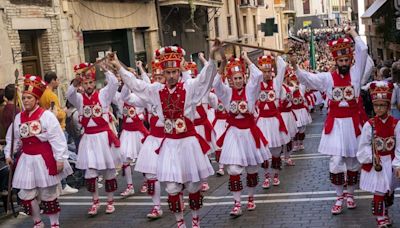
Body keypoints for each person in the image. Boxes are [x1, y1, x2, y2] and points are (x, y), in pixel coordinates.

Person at [118, 43, 219, 228]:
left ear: (179, 71)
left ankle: (195, 219)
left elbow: (206, 79)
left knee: (193, 186)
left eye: (174, 72)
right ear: (163, 73)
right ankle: (180, 222)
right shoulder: (156, 90)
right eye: (167, 73)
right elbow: (136, 85)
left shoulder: (189, 87)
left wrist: (212, 56)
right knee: (172, 188)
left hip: (188, 143)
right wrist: (118, 66)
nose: (171, 76)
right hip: (170, 145)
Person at [290, 27, 368, 214]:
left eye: (346, 60)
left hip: (352, 124)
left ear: (350, 60)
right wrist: (296, 68)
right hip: (335, 125)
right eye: (340, 60)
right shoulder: (327, 78)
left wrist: (354, 34)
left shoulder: (356, 74)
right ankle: (338, 197)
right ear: (336, 60)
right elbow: (309, 79)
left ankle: (350, 195)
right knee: (335, 162)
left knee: (352, 162)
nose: (343, 63)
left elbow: (363, 51)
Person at [4, 74, 73, 228]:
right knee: (27, 195)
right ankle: (38, 221)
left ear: (36, 99)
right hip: (27, 159)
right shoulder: (19, 118)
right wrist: (8, 154)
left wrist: (60, 158)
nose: (27, 100)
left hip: (44, 158)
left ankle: (54, 223)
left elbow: (57, 138)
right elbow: (13, 138)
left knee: (48, 194)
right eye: (25, 97)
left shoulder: (46, 116)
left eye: (30, 97)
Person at [213, 53, 271, 217]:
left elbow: (258, 75)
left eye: (240, 77)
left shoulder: (251, 91)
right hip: (233, 135)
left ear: (244, 78)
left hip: (249, 134)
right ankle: (237, 203)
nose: (238, 81)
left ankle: (251, 197)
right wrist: (223, 64)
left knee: (252, 168)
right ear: (230, 79)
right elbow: (216, 83)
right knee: (233, 169)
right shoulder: (227, 94)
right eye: (235, 78)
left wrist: (246, 60)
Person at [66, 62, 121, 215]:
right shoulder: (79, 99)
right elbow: (68, 95)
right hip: (89, 139)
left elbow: (114, 84)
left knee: (108, 172)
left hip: (103, 137)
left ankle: (110, 201)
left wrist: (106, 70)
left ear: (94, 82)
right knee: (90, 174)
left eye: (91, 82)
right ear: (82, 84)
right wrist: (75, 82)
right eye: (86, 83)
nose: (89, 85)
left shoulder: (103, 94)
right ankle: (95, 202)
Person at [358, 81, 398, 228]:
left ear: (388, 106)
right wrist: (371, 157)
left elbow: (399, 146)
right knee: (380, 189)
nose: (378, 109)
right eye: (376, 105)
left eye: (382, 105)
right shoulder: (370, 124)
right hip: (378, 163)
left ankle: (385, 212)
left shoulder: (396, 123)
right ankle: (380, 218)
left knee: (389, 189)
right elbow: (363, 145)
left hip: (392, 161)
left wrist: (398, 163)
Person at [133, 59, 166, 219]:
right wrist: (127, 82)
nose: (158, 82)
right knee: (151, 175)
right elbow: (128, 98)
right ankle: (157, 206)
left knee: (177, 174)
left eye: (161, 78)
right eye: (156, 78)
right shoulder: (148, 98)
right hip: (153, 141)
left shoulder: (176, 93)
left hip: (171, 140)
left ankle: (179, 199)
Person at [40, 71, 78, 195]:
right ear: (52, 81)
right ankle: (63, 184)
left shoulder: (43, 94)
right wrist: (63, 111)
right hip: (58, 128)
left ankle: (62, 184)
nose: (58, 82)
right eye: (57, 80)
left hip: (49, 129)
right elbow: (57, 114)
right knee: (61, 155)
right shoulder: (51, 95)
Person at [255, 54, 290, 188]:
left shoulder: (276, 83)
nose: (267, 74)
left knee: (276, 151)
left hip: (274, 121)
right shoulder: (256, 85)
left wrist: (277, 57)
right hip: (263, 121)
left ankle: (275, 175)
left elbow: (282, 68)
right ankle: (266, 176)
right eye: (264, 71)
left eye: (269, 71)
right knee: (265, 151)